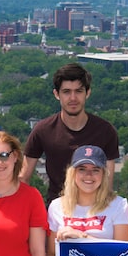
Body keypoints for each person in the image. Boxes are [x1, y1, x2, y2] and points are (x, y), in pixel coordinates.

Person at [20, 63, 120, 204]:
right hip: (57, 210)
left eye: (78, 91)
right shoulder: (43, 130)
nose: (73, 98)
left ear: (88, 93)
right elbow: (24, 177)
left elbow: (108, 183)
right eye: (66, 92)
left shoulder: (105, 131)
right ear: (57, 94)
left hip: (96, 210)